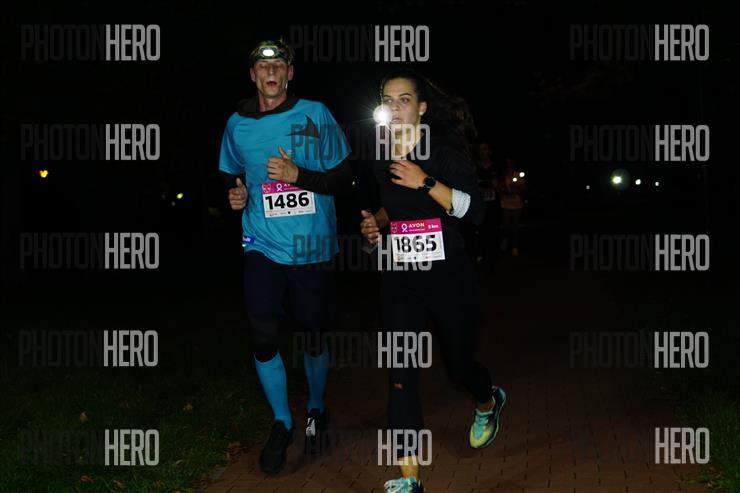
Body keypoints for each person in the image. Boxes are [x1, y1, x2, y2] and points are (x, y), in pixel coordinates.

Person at [359, 69, 507, 493]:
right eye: (388, 100)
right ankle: (410, 479)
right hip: (401, 278)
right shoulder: (381, 158)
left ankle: (488, 400)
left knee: (459, 367)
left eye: (404, 99)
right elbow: (393, 208)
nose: (395, 108)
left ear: (421, 107)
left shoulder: (444, 154)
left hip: (448, 276)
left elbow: (474, 212)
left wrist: (424, 181)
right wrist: (375, 225)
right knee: (400, 373)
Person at [219, 38, 352, 474]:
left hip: (311, 246)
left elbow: (343, 178)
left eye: (279, 65)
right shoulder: (237, 124)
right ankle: (282, 421)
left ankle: (316, 407)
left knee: (313, 334)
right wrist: (235, 194)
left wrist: (299, 175)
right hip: (261, 243)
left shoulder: (316, 113)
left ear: (290, 74)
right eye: (263, 66)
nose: (271, 71)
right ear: (253, 75)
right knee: (262, 333)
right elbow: (230, 174)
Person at [475, 140, 500, 269]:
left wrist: (489, 184)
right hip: (480, 205)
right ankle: (480, 255)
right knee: (480, 230)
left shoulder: (496, 167)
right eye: (481, 149)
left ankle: (493, 259)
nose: (483, 152)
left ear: (489, 151)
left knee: (493, 230)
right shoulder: (475, 167)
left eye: (485, 149)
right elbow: (474, 184)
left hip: (493, 205)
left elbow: (498, 185)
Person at [498, 157, 526, 256]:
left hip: (516, 203)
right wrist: (503, 190)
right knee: (505, 225)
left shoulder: (517, 174)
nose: (508, 165)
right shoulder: (502, 175)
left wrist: (517, 188)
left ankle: (515, 246)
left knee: (515, 226)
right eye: (507, 163)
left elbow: (523, 188)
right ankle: (504, 241)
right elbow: (499, 187)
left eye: (510, 163)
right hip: (505, 203)